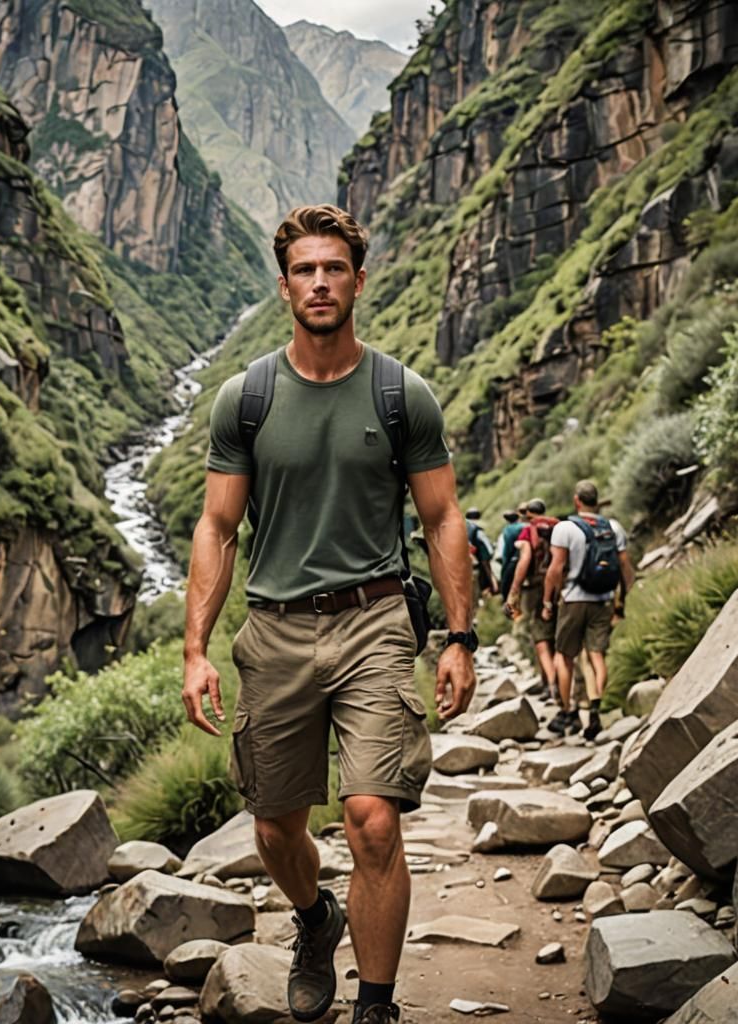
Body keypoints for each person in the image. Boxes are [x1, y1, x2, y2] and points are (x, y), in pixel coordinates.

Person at [182, 204, 477, 1024]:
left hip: (376, 622)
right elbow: (217, 526)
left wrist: (460, 638)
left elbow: (442, 517)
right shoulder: (245, 400)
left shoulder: (398, 393)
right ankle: (317, 920)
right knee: (276, 829)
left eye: (334, 268)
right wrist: (195, 650)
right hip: (273, 629)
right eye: (305, 270)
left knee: (372, 819)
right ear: (285, 287)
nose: (320, 282)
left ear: (358, 279)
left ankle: (375, 1007)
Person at [541, 480, 635, 739]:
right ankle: (596, 707)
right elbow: (626, 567)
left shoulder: (565, 528)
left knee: (564, 656)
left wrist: (549, 601)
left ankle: (566, 712)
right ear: (597, 500)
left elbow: (555, 568)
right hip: (603, 599)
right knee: (596, 655)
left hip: (573, 599)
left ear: (576, 500)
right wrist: (623, 597)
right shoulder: (613, 527)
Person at [503, 498, 558, 700]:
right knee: (554, 636)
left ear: (528, 514)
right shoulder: (558, 526)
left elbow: (524, 560)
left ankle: (553, 684)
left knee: (540, 638)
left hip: (536, 587)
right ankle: (553, 682)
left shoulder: (529, 531)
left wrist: (514, 591)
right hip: (560, 586)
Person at [464, 507, 498, 601]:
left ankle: (493, 589)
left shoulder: (468, 526)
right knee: (488, 571)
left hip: (478, 554)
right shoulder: (477, 526)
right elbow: (484, 540)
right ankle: (494, 588)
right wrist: (491, 550)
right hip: (482, 553)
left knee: (485, 572)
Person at [497, 504, 529, 599]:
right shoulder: (528, 526)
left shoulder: (507, 530)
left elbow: (506, 552)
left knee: (507, 585)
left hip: (515, 560)